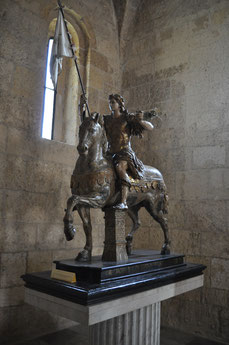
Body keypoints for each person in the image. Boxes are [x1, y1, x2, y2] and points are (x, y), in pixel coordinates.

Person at [80, 94, 154, 210]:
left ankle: (123, 201)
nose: (111, 104)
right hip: (110, 153)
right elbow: (90, 124)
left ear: (120, 105)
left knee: (119, 167)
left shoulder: (127, 118)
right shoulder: (106, 119)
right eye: (110, 102)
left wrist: (140, 120)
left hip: (124, 152)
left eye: (113, 102)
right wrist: (82, 107)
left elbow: (150, 127)